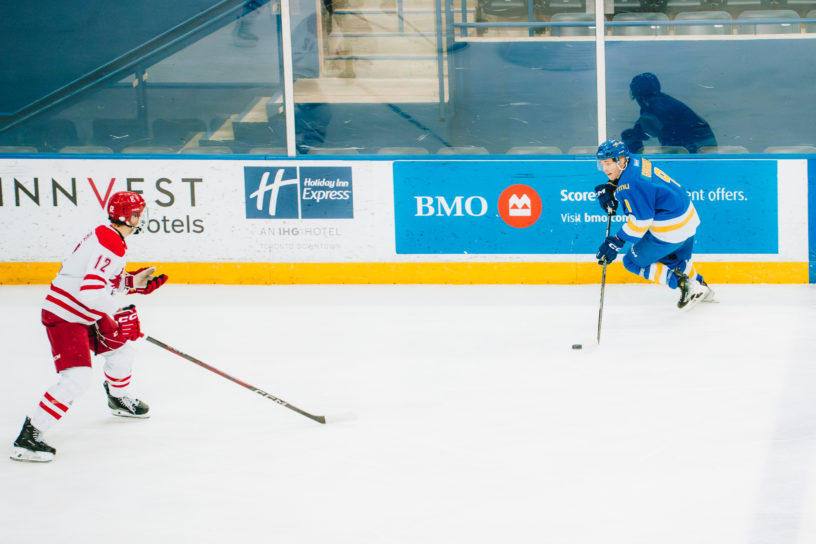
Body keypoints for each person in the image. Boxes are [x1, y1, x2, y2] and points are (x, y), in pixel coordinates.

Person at [10, 191, 168, 462]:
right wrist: (119, 313)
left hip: (84, 312)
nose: (141, 218)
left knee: (123, 348)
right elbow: (90, 292)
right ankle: (29, 437)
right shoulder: (111, 243)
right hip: (66, 316)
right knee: (77, 379)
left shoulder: (108, 235)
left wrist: (132, 284)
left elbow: (96, 281)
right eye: (137, 214)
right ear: (127, 217)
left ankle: (118, 399)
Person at [593, 139, 714, 310]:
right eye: (602, 164)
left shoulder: (629, 185)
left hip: (671, 228)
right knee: (672, 259)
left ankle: (685, 285)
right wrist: (611, 186)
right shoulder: (635, 160)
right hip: (688, 217)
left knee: (631, 262)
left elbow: (641, 221)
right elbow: (643, 187)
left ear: (620, 160)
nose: (605, 169)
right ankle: (701, 286)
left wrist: (617, 241)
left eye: (608, 163)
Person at [621, 72, 717, 154]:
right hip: (703, 145)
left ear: (638, 94)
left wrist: (631, 140)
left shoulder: (655, 106)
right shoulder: (663, 101)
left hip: (694, 148)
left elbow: (643, 130)